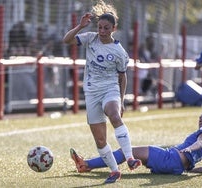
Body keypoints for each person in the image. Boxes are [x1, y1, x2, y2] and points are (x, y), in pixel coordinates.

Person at [63, 0, 141, 183]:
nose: (102, 31)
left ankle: (130, 158)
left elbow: (122, 77)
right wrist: (80, 26)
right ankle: (114, 171)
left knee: (114, 115)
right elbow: (66, 40)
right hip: (91, 93)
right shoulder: (90, 38)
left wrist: (121, 101)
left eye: (106, 28)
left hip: (110, 89)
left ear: (114, 29)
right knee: (100, 140)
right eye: (100, 27)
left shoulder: (119, 52)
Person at [70, 110, 202, 175]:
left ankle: (86, 164)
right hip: (176, 169)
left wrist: (189, 149)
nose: (200, 120)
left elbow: (200, 142)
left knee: (127, 151)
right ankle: (140, 161)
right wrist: (190, 170)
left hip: (170, 158)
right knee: (134, 154)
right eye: (200, 118)